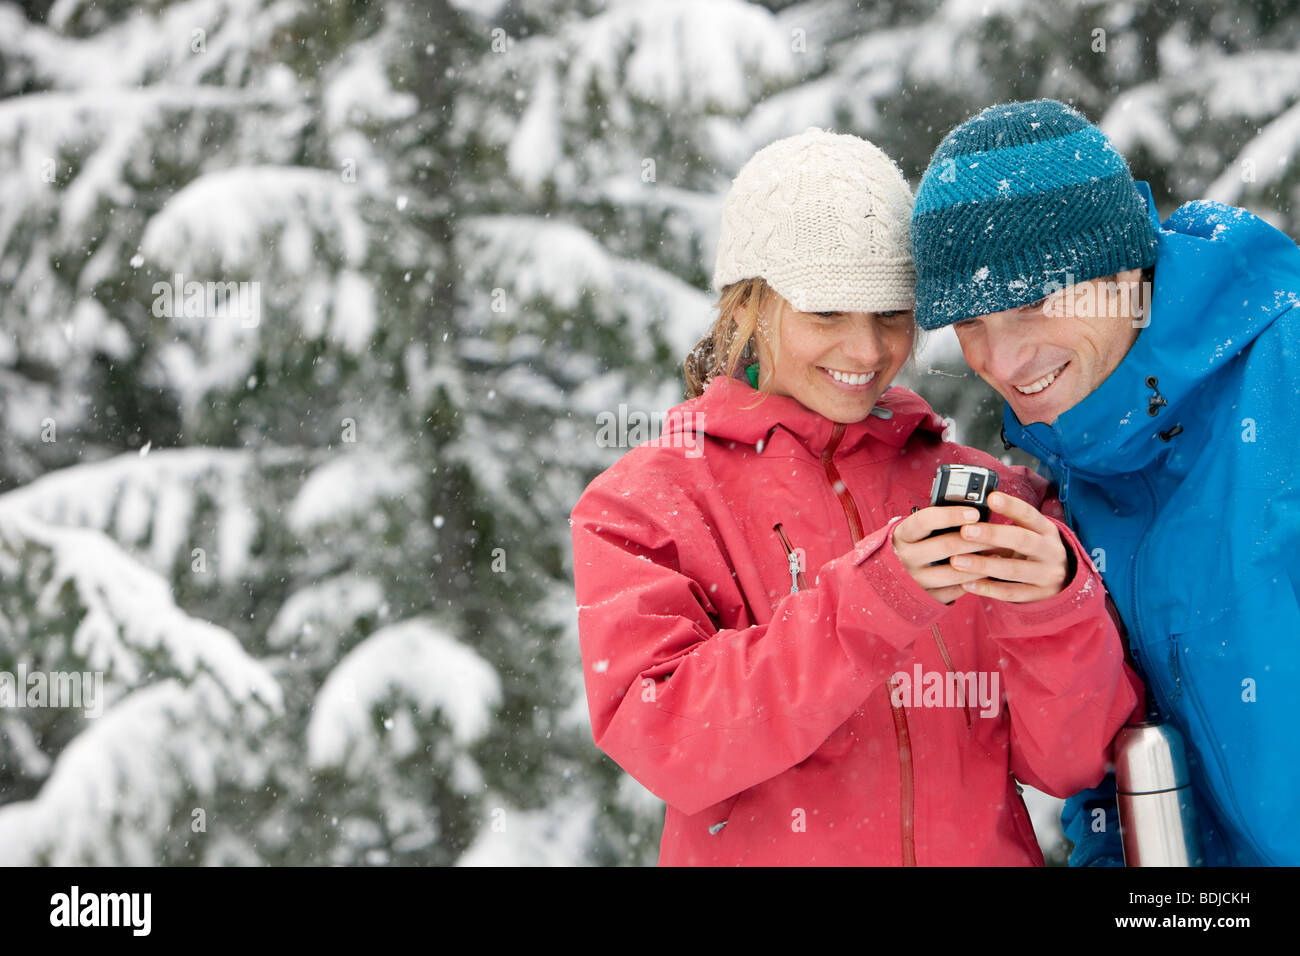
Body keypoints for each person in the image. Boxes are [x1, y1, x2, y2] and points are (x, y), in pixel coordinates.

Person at [569, 127, 1139, 866]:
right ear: (748, 306)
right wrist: (876, 598)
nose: (867, 352)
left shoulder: (995, 492)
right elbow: (670, 741)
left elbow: (1068, 763)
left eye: (890, 315)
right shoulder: (645, 502)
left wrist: (1054, 604)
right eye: (828, 313)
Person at [910, 98, 1300, 866]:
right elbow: (1113, 778)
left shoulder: (1284, 378)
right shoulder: (1070, 471)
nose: (1002, 360)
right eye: (970, 323)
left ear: (1123, 269)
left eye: (1030, 303)